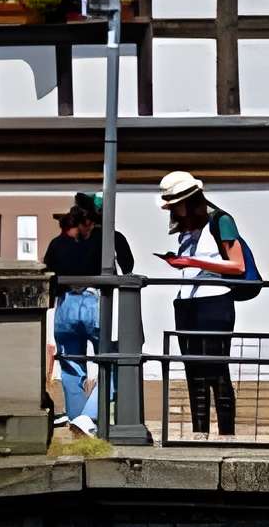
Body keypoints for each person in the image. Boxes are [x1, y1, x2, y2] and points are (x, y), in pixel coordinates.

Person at [156, 171, 246, 436]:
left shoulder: (221, 221)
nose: (173, 210)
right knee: (193, 369)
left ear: (190, 200)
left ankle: (226, 433)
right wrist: (179, 262)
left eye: (175, 204)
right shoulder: (187, 229)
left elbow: (237, 265)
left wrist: (194, 262)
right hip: (186, 303)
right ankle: (199, 432)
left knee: (216, 369)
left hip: (214, 302)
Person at [42, 192, 136, 435]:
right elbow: (129, 266)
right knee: (112, 362)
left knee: (72, 365)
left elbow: (48, 273)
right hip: (97, 300)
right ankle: (89, 415)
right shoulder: (110, 237)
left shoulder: (58, 242)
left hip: (65, 306)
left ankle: (77, 419)